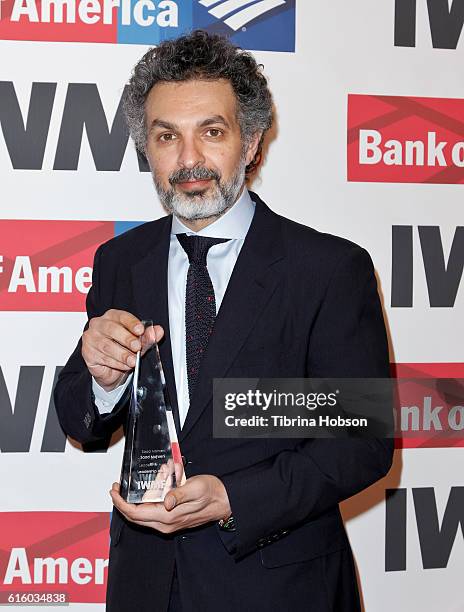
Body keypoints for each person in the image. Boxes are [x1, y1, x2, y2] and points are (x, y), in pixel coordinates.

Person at [54, 30, 393, 612]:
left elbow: (361, 446)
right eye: (167, 137)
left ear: (253, 141)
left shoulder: (329, 269)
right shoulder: (121, 261)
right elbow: (80, 418)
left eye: (212, 132)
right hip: (146, 585)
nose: (188, 160)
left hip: (282, 588)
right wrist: (103, 379)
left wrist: (236, 497)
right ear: (147, 148)